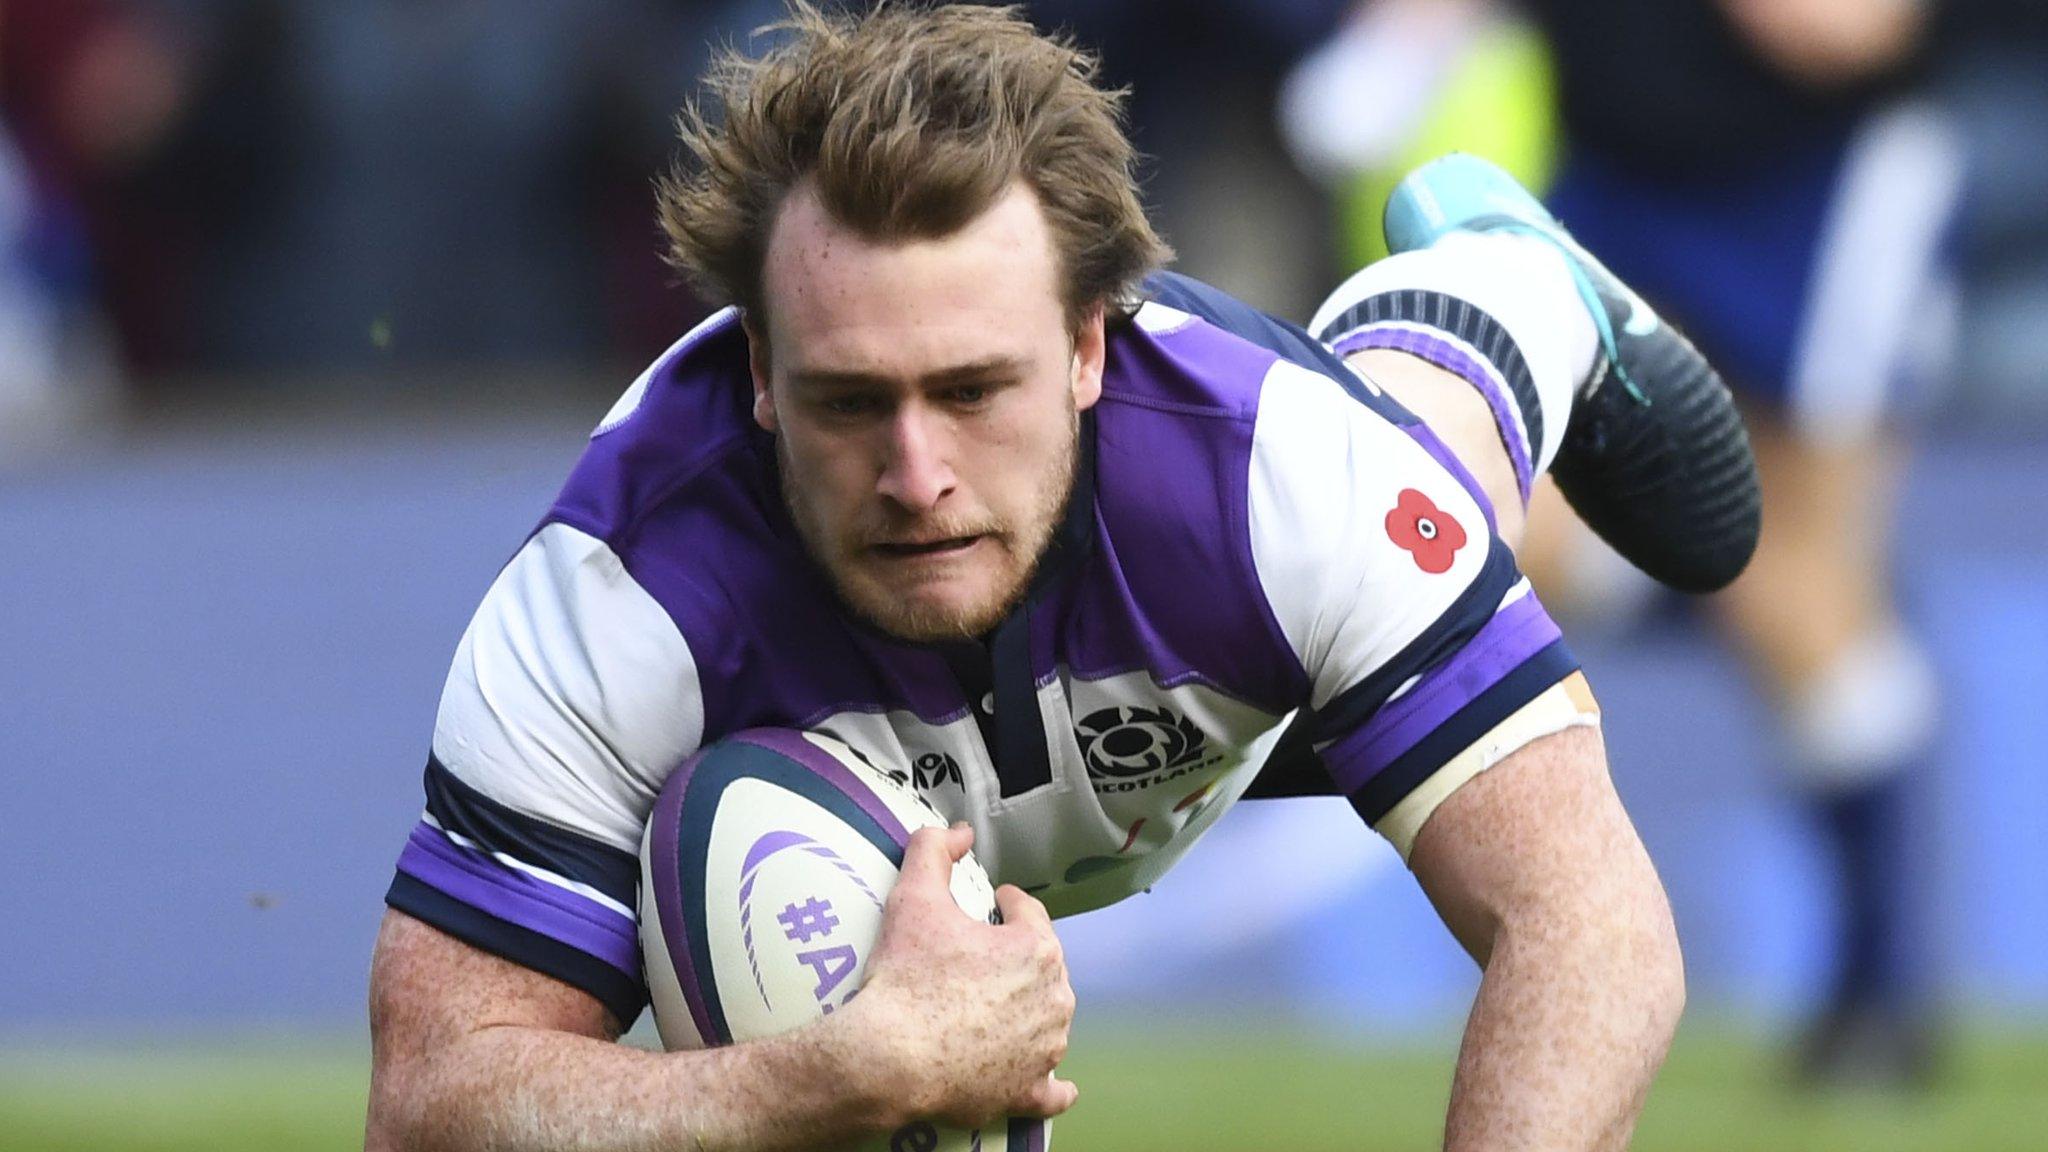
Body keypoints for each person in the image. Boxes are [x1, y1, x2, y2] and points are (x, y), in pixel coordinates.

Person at [365, 5, 1759, 1149]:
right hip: (903, 822)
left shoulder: (1279, 475)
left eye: (975, 389)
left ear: (1092, 348)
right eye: (852, 400)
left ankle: (1506, 289)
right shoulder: (617, 598)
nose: (917, 473)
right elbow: (429, 1105)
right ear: (760, 378)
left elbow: (1590, 929)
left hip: (1243, 698)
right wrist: (833, 1078)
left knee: (1410, 467)